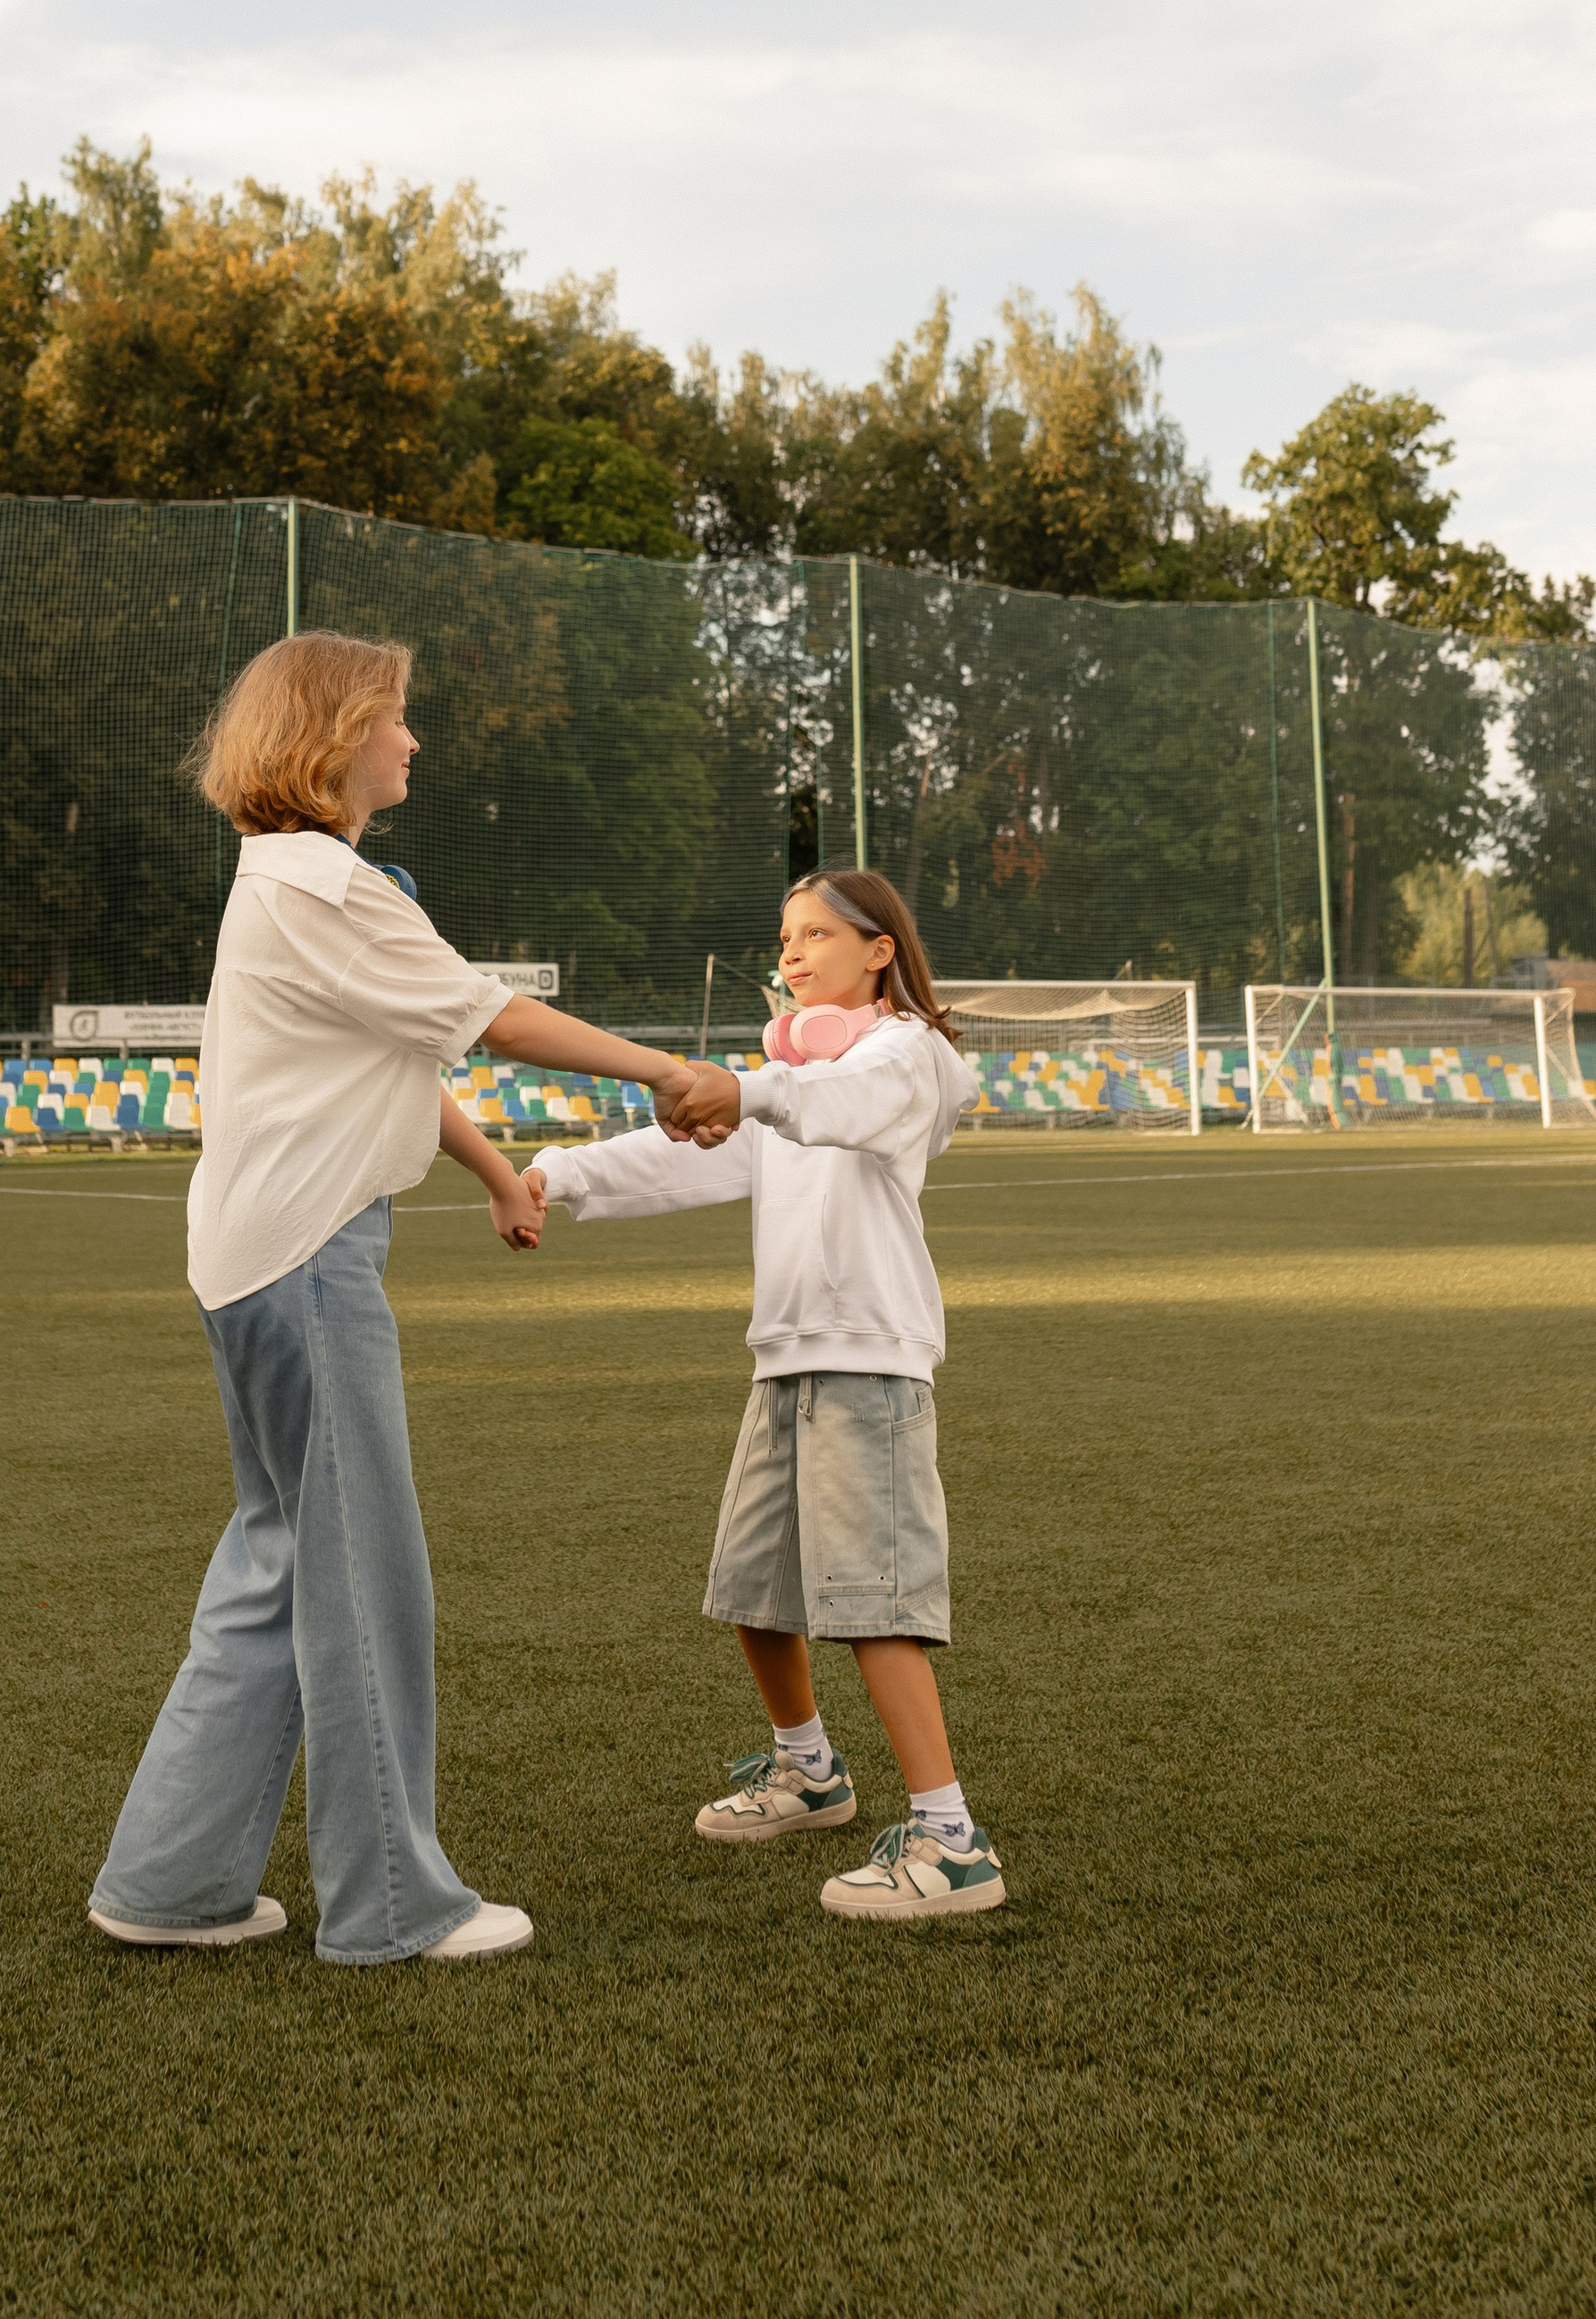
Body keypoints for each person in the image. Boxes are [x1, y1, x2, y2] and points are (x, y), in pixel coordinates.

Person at [88, 628, 692, 1967]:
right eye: (393, 718)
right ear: (334, 737)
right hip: (310, 1264)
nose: (412, 740)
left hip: (257, 1261)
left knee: (278, 1566)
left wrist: (494, 1172)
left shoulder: (289, 882)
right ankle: (394, 1908)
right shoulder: (327, 887)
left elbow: (402, 1058)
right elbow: (496, 1020)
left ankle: (169, 1883)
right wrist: (668, 1073)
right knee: (364, 1578)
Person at [531, 868, 1006, 1922]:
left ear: (880, 951)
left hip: (869, 1359)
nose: (791, 953)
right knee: (753, 1588)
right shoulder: (791, 1081)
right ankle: (811, 1773)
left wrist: (750, 1090)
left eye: (817, 934)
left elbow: (837, 1103)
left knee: (875, 1603)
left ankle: (952, 1842)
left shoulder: (905, 1055)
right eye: (784, 937)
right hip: (783, 1358)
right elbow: (689, 1161)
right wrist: (556, 1175)